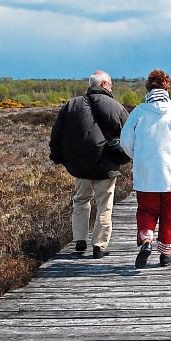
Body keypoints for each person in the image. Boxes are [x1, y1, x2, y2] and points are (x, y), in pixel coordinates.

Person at [49, 70, 129, 258]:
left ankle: (79, 241)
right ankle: (99, 246)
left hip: (80, 166)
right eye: (110, 83)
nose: (112, 87)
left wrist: (58, 157)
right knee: (104, 205)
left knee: (81, 201)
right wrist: (126, 157)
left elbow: (57, 135)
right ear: (103, 85)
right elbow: (129, 135)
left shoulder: (71, 105)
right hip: (106, 165)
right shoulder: (115, 106)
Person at [120, 69, 171, 268]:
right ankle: (165, 253)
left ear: (148, 87)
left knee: (146, 209)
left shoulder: (139, 112)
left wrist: (138, 156)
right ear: (167, 87)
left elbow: (125, 141)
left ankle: (146, 240)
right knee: (170, 213)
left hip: (146, 173)